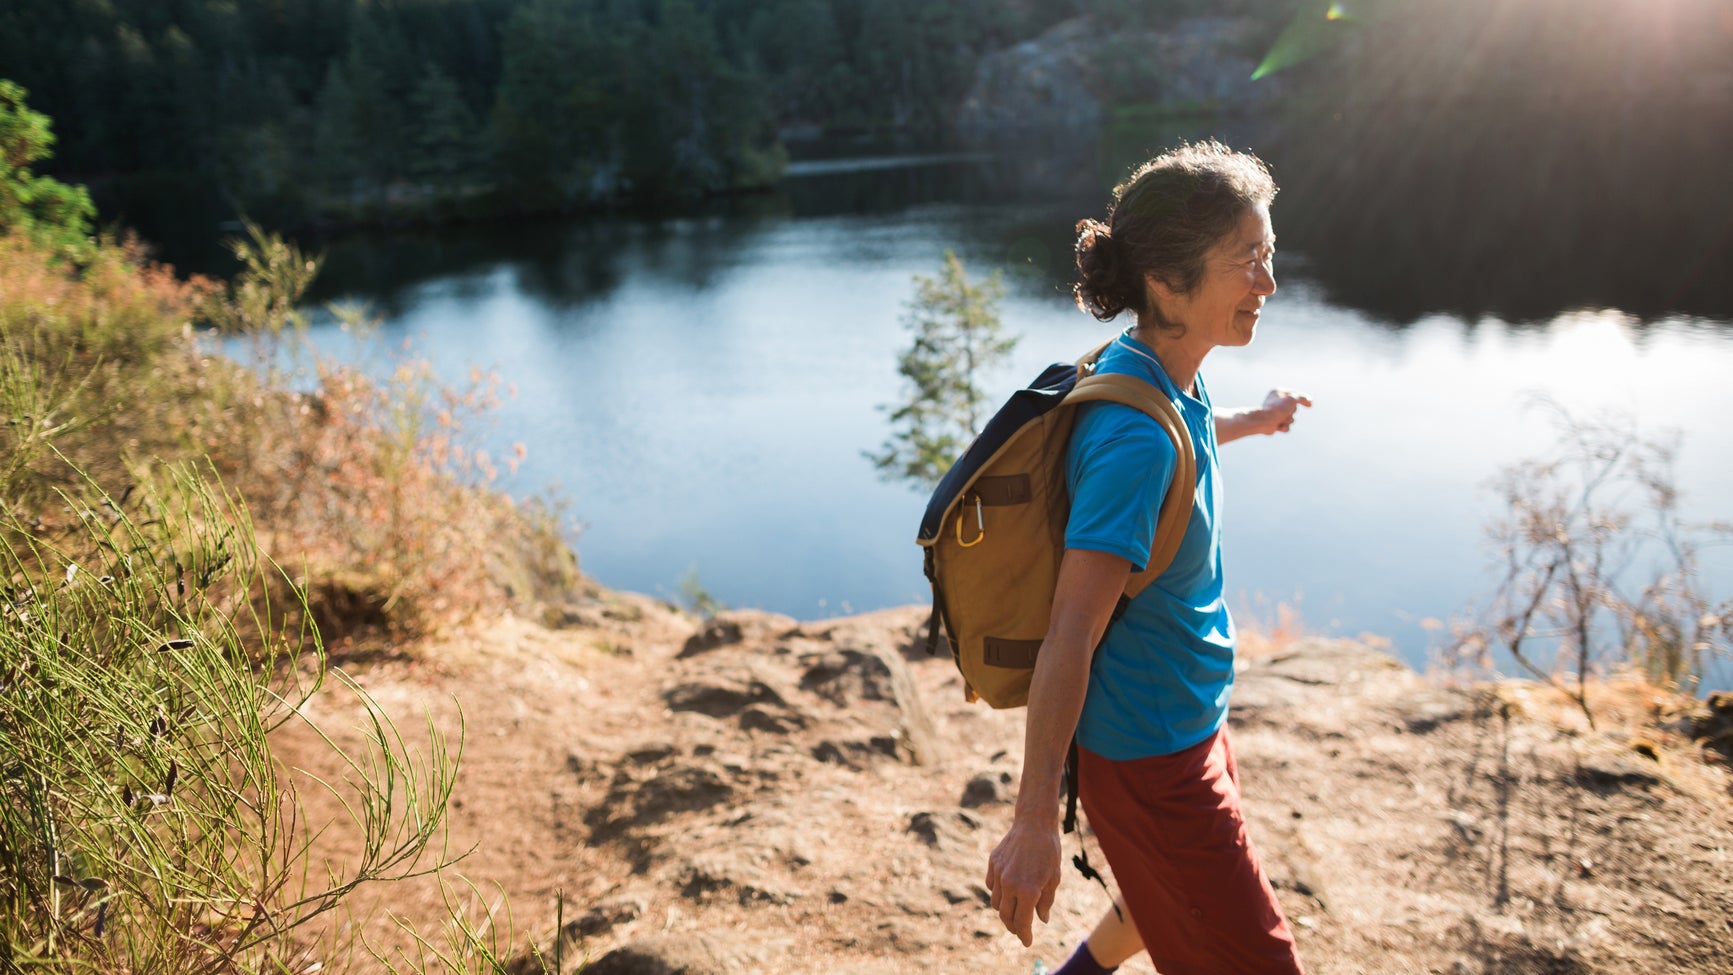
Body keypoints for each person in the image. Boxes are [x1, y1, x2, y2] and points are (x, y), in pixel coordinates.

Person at [983, 140, 1312, 975]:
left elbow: (1186, 440)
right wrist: (1030, 821)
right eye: (1247, 262)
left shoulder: (1159, 371)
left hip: (1186, 721)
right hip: (1149, 758)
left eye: (1267, 255)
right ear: (1166, 281)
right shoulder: (1131, 436)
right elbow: (1069, 632)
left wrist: (1255, 418)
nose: (1267, 283)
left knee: (1153, 902)